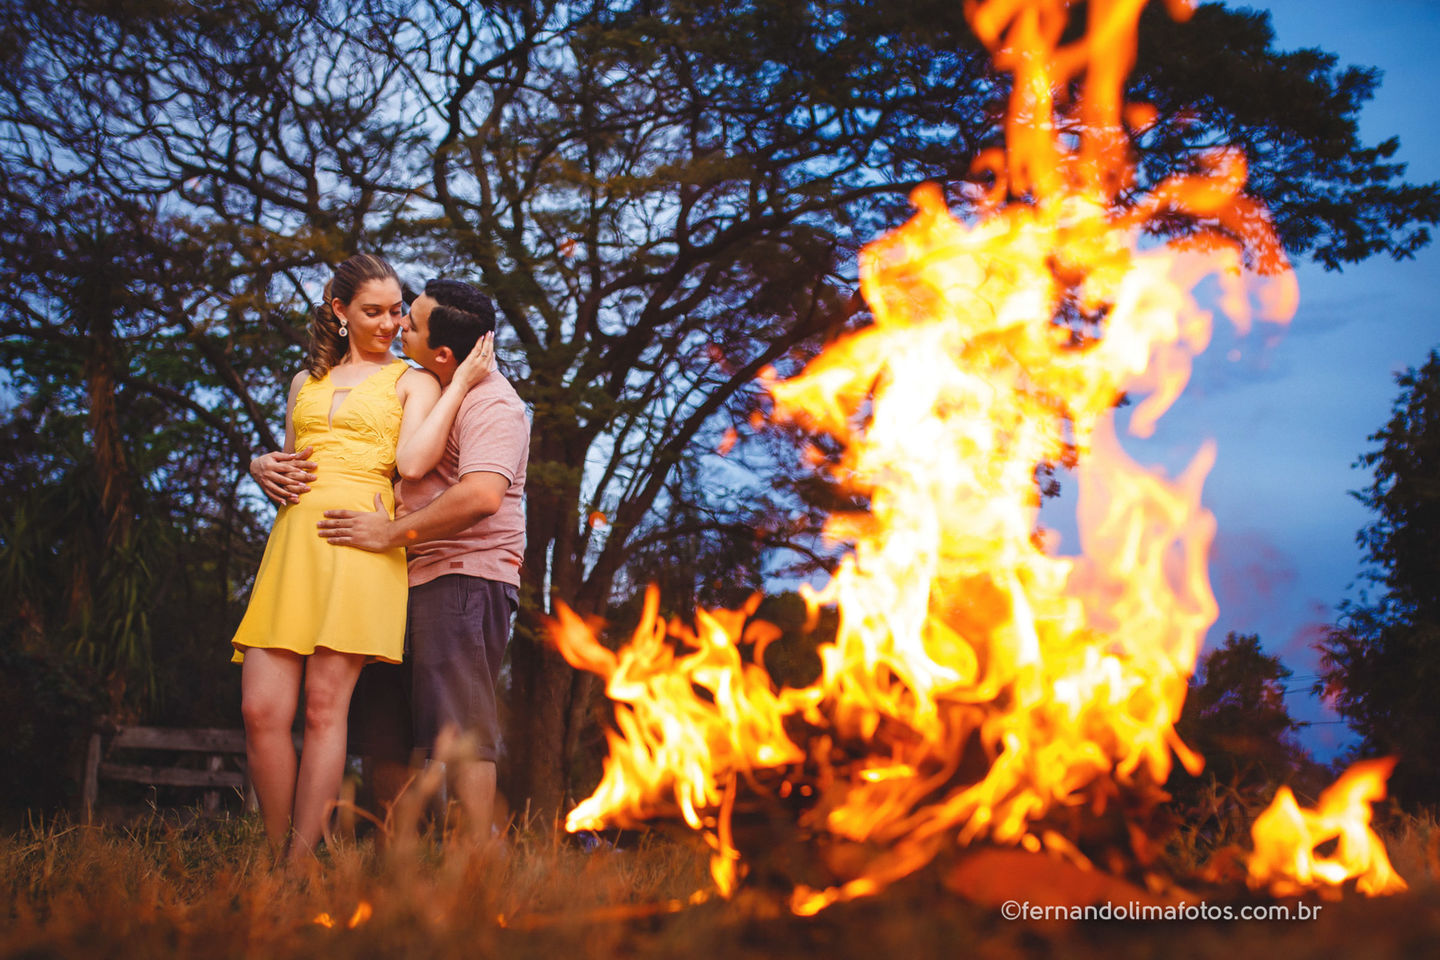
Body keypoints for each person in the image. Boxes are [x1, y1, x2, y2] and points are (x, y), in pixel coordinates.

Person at [235, 254, 494, 860]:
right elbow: (288, 466)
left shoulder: (413, 380)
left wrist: (457, 385)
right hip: (292, 547)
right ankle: (276, 853)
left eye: (397, 311)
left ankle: (300, 863)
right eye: (372, 311)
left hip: (360, 545)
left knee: (324, 711)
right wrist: (259, 464)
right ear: (339, 310)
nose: (389, 323)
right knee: (260, 710)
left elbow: (413, 463)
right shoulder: (303, 382)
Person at [314, 278, 529, 845]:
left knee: (460, 731)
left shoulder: (494, 403)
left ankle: (478, 864)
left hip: (462, 577)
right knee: (383, 729)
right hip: (394, 575)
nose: (397, 327)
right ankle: (397, 860)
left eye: (409, 323)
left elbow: (481, 496)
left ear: (443, 352)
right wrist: (266, 464)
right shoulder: (416, 386)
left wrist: (387, 533)